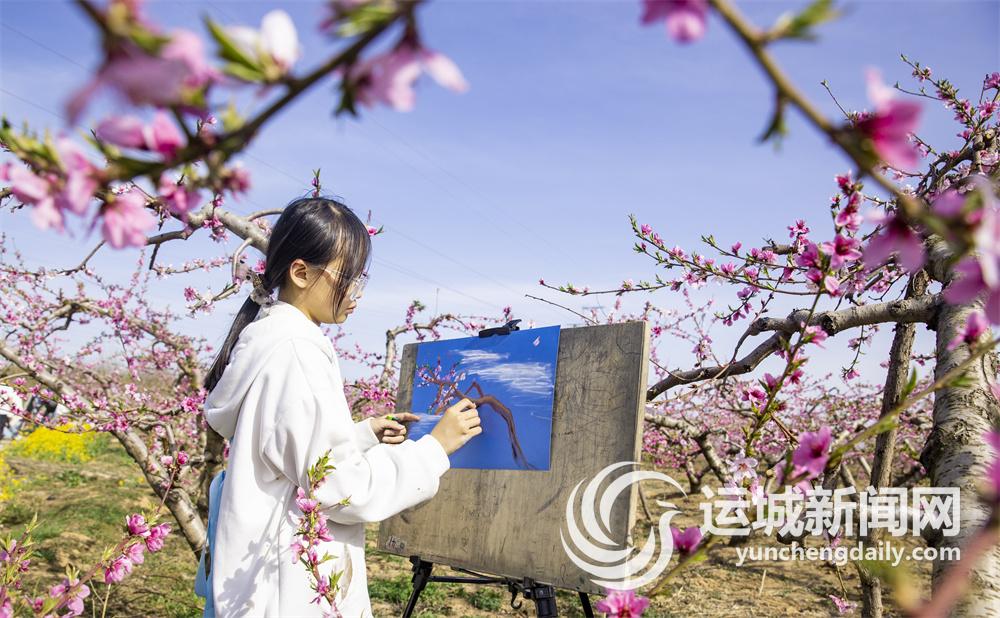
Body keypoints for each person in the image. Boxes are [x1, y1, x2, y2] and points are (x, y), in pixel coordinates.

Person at [197, 196, 482, 617]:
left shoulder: (271, 339)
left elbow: (289, 453)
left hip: (264, 576)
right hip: (287, 592)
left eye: (360, 279)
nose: (356, 293)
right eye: (347, 277)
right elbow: (339, 489)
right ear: (300, 273)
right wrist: (434, 449)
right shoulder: (296, 351)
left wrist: (361, 435)